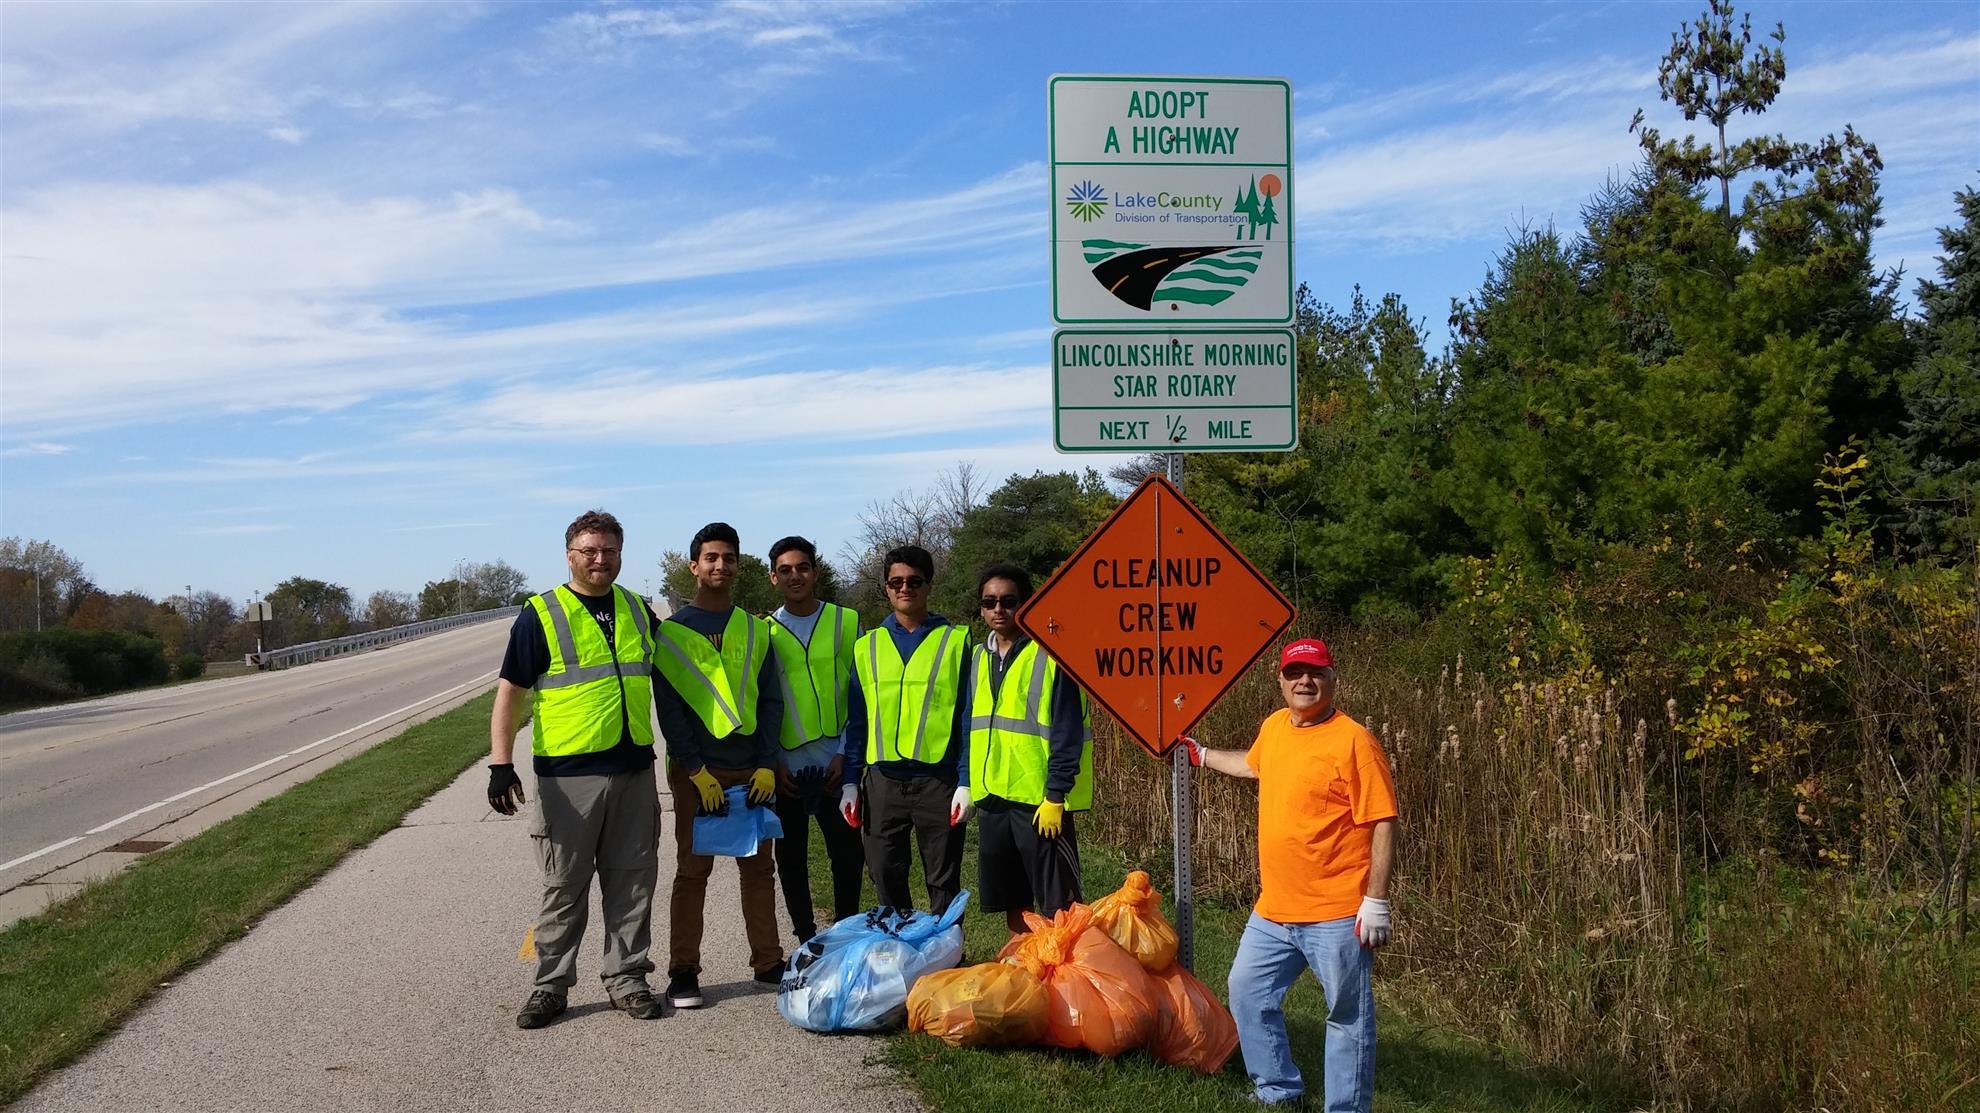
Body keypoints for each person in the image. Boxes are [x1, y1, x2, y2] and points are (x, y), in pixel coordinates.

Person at [1181, 637, 1399, 1112]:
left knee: (1347, 1017)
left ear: (1332, 678)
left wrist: (1376, 900)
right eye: (1295, 672)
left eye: (1316, 672)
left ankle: (1344, 1107)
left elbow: (1382, 818)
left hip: (1338, 912)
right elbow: (1254, 766)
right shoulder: (1276, 726)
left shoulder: (1354, 740)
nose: (1305, 681)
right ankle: (1277, 1090)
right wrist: (1202, 755)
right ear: (1280, 680)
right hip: (1274, 909)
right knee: (1247, 992)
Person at [487, 509, 664, 1028]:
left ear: (620, 555)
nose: (599, 559)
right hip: (567, 777)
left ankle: (628, 979)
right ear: (570, 556)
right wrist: (501, 764)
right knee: (564, 886)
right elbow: (510, 694)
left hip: (633, 768)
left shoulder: (637, 609)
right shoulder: (541, 614)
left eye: (608, 550)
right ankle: (550, 985)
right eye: (589, 550)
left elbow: (677, 674)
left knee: (632, 881)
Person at [651, 522, 785, 1009]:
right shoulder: (673, 632)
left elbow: (770, 701)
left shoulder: (755, 629)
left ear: (737, 565)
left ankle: (769, 963)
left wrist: (767, 763)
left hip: (751, 770)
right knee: (693, 872)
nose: (720, 566)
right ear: (694, 566)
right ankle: (683, 972)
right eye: (710, 558)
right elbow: (670, 709)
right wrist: (694, 769)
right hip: (697, 775)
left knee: (758, 871)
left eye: (728, 558)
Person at [837, 544, 971, 915]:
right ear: (886, 587)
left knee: (943, 882)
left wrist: (965, 781)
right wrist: (850, 781)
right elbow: (858, 720)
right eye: (896, 581)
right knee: (883, 874)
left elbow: (966, 716)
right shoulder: (867, 647)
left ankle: (947, 967)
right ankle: (902, 961)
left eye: (914, 581)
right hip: (882, 783)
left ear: (928, 585)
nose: (905, 588)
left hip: (938, 781)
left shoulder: (956, 641)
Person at [962, 562, 1093, 935]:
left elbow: (1067, 733)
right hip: (993, 799)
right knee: (1013, 902)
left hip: (1039, 804)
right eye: (989, 602)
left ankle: (1065, 985)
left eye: (1008, 601)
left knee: (1059, 909)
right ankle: (1024, 979)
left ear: (1028, 604)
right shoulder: (976, 657)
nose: (998, 610)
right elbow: (970, 726)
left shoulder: (1053, 656)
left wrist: (1056, 794)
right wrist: (966, 785)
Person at [762, 535, 865, 943]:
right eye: (784, 570)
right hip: (788, 765)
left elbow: (861, 693)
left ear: (815, 571)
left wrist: (846, 753)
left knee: (847, 855)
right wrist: (774, 759)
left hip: (837, 763)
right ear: (773, 577)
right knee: (791, 859)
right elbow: (761, 704)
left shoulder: (847, 621)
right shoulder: (763, 631)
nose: (794, 576)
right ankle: (805, 938)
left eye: (802, 567)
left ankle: (845, 935)